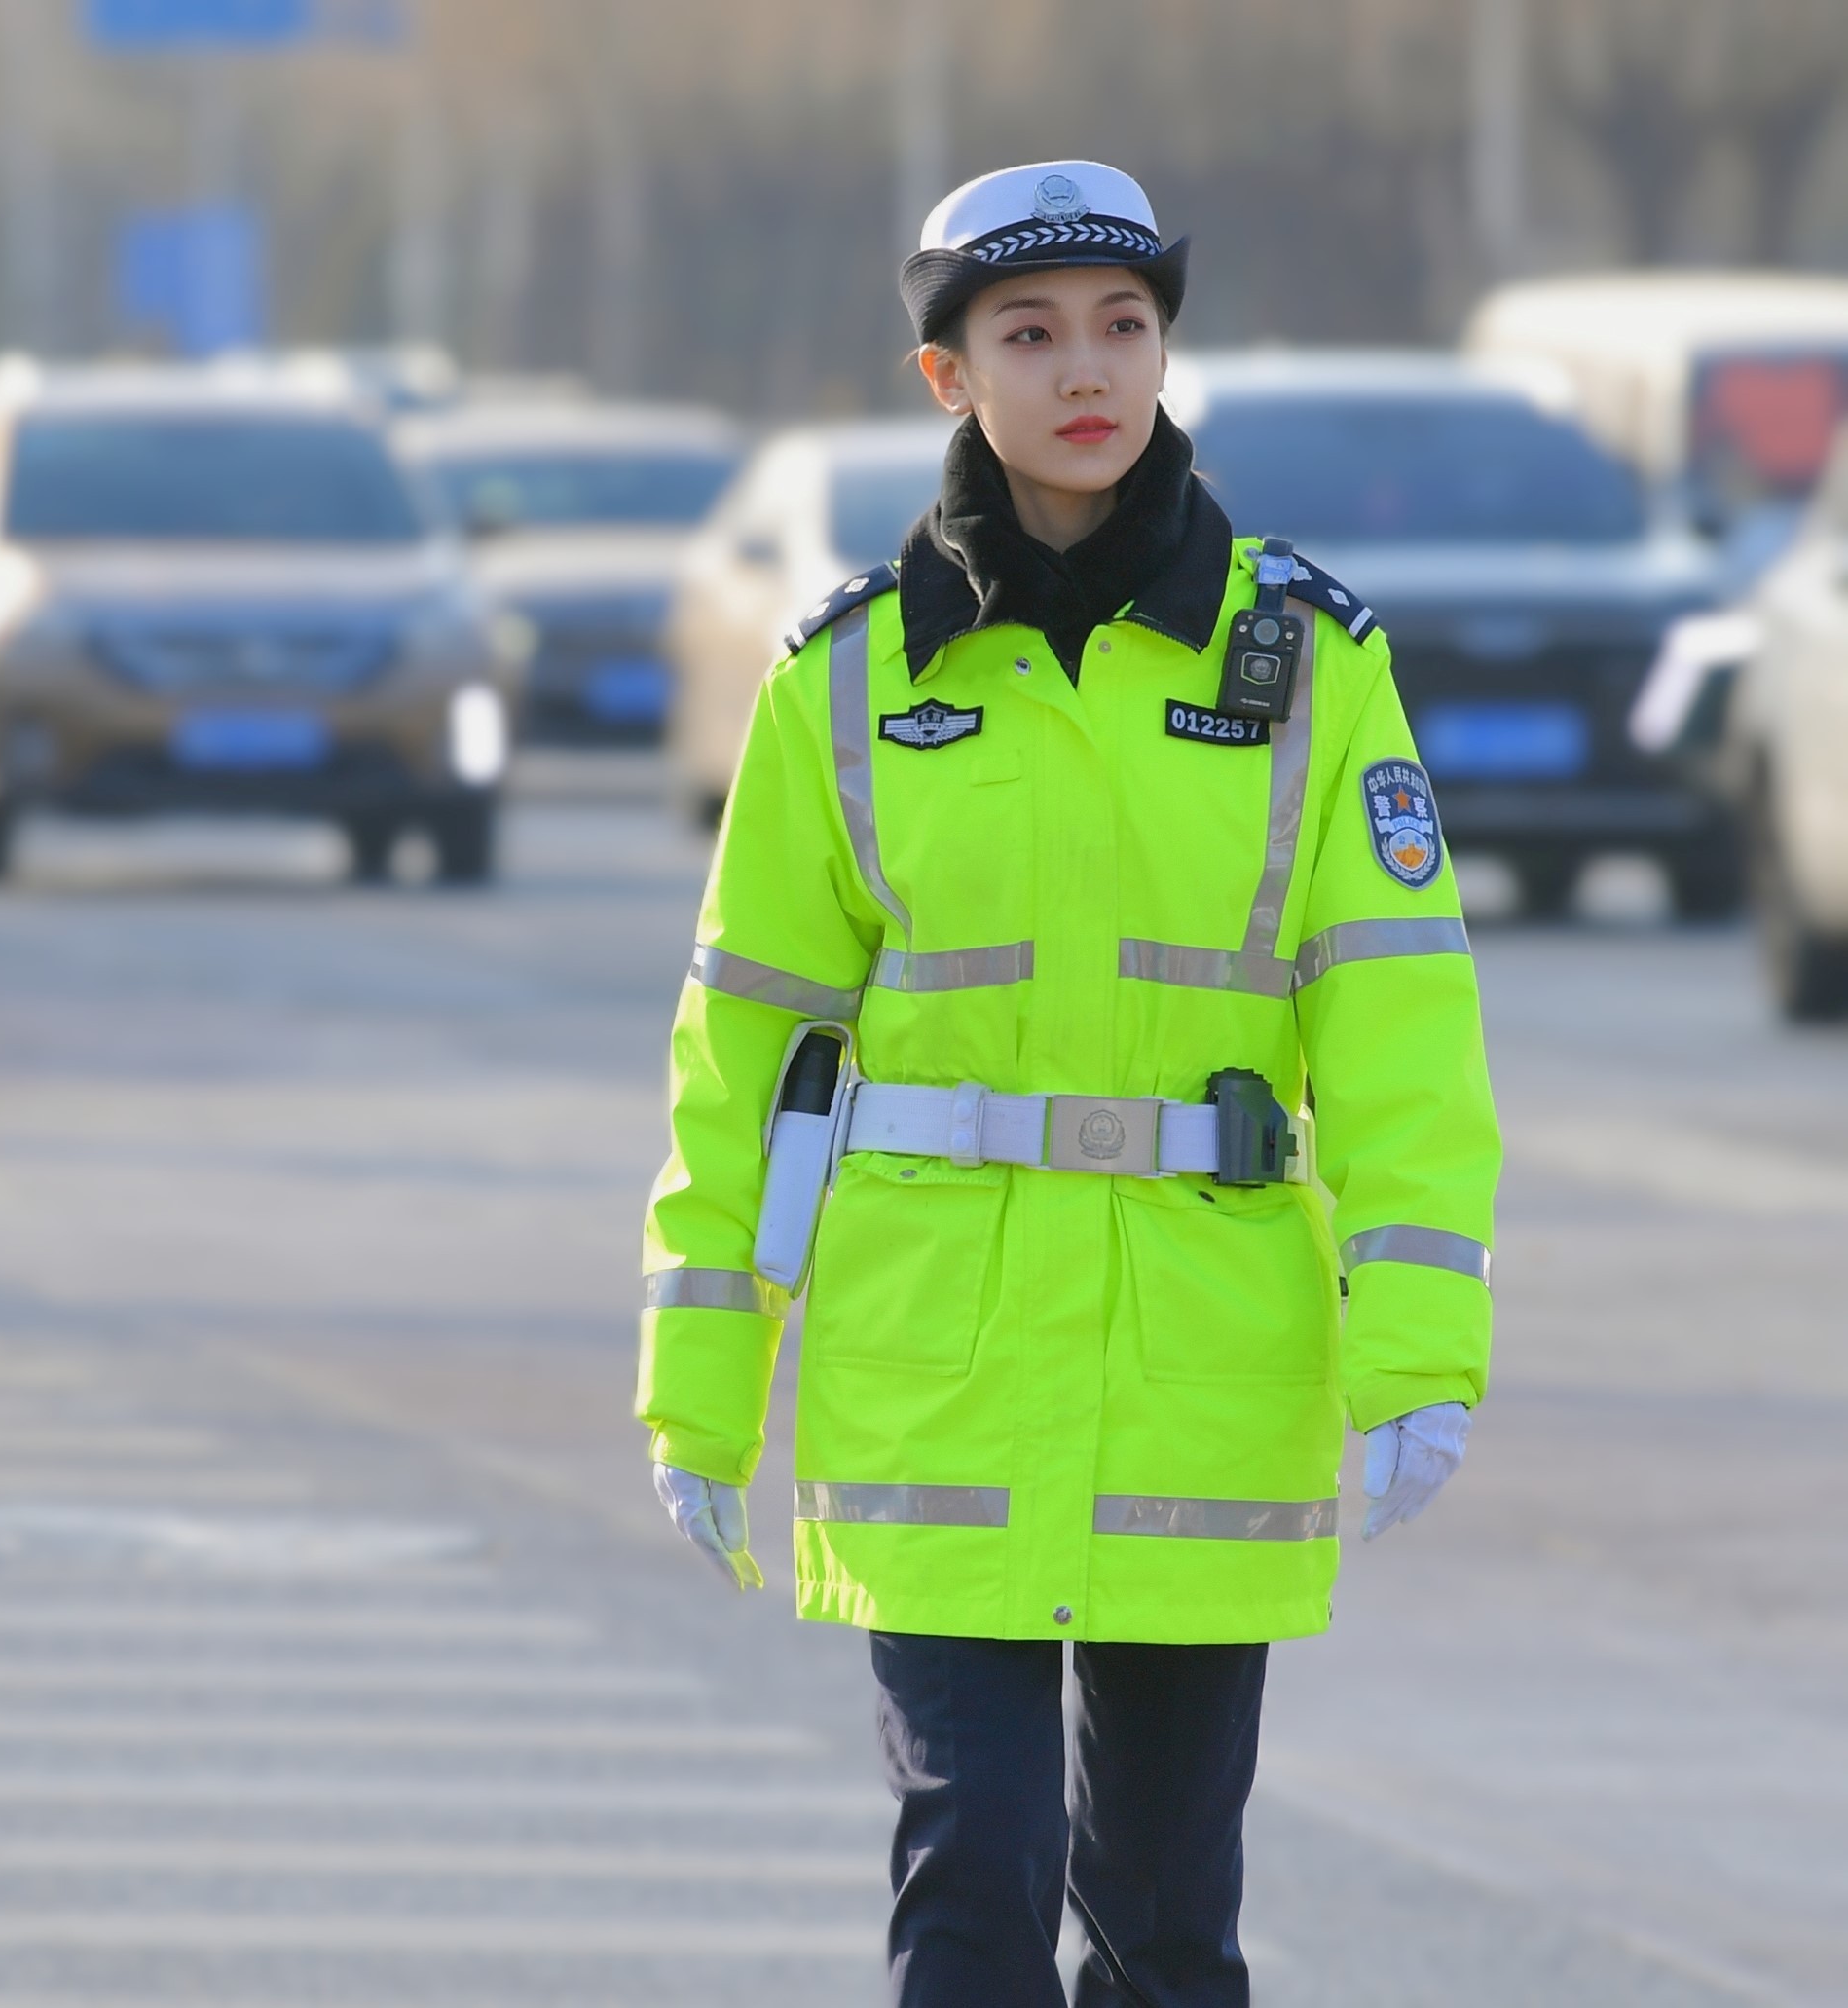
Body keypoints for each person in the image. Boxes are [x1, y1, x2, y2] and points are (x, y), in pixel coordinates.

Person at [633, 161, 1499, 2007]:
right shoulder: (846, 684)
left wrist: (1417, 1339)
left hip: (1206, 1366)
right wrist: (699, 1382)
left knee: (1168, 1925)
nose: (1085, 370)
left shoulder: (1308, 667)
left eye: (1123, 326)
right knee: (970, 1892)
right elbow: (743, 1052)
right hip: (931, 1377)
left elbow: (1399, 1027)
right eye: (1027, 335)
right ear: (946, 377)